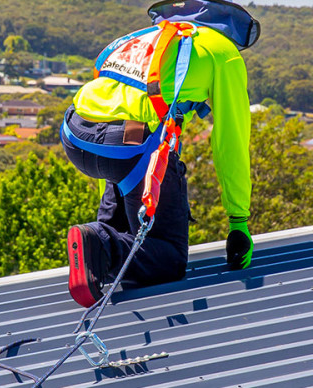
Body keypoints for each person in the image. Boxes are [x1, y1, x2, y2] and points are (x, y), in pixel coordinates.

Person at [61, 0, 260, 308]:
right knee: (168, 259)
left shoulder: (143, 38)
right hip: (130, 147)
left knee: (127, 241)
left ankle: (98, 245)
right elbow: (230, 140)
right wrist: (238, 221)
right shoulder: (222, 52)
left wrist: (111, 216)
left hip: (76, 135)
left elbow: (114, 124)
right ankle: (100, 243)